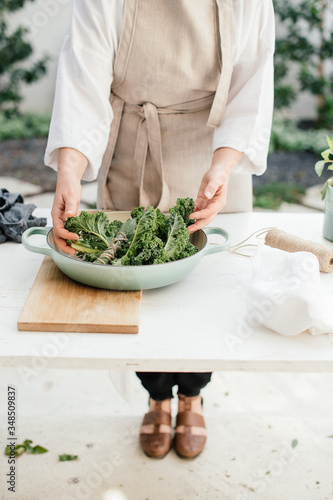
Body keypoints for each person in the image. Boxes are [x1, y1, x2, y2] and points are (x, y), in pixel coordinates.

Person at [45, 0, 275, 459]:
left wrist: (224, 166)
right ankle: (156, 397)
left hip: (209, 148)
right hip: (133, 141)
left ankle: (193, 394)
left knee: (201, 297)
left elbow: (253, 75)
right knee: (134, 285)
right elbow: (83, 68)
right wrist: (69, 171)